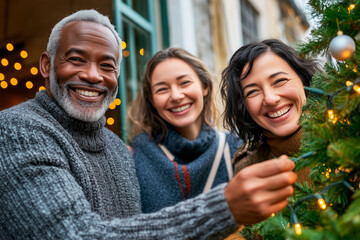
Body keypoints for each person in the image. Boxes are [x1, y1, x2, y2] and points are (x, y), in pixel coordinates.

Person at [0, 10, 297, 239]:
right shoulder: (16, 131)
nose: (93, 75)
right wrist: (225, 207)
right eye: (76, 59)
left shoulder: (116, 149)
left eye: (107, 66)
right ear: (46, 65)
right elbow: (75, 234)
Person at [128, 48, 241, 213]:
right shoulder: (135, 157)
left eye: (184, 83)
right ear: (152, 100)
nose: (176, 96)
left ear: (205, 86)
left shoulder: (236, 148)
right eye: (162, 89)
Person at [221, 39, 319, 182]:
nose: (270, 99)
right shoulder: (247, 168)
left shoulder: (349, 133)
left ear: (303, 80)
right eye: (252, 91)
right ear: (244, 106)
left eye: (279, 81)